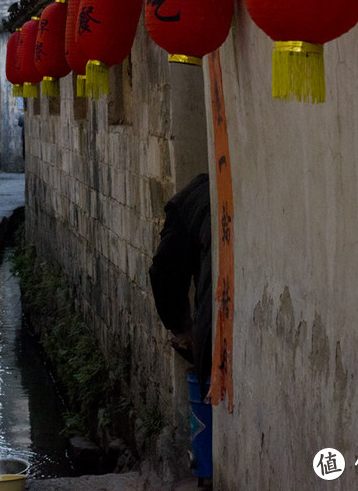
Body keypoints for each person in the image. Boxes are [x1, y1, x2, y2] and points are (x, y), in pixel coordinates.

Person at [148, 173, 213, 485]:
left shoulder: (185, 206)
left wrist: (182, 329)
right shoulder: (204, 199)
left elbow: (165, 272)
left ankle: (207, 473)